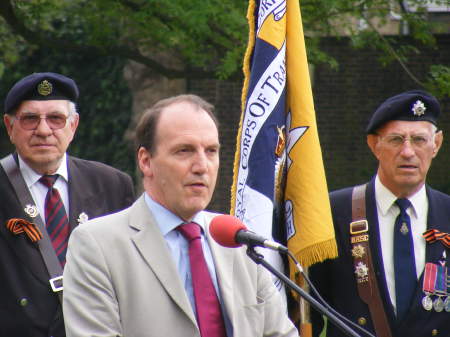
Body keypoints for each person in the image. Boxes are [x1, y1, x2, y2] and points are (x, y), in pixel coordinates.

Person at [62, 94, 299, 337]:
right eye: (184, 151)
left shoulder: (238, 242)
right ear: (145, 161)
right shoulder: (97, 245)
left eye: (211, 151)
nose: (201, 166)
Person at [0, 72, 135, 337]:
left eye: (55, 119)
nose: (43, 130)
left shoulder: (112, 185)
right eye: (30, 119)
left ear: (73, 126)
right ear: (9, 126)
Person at [309, 90, 450, 337]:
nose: (408, 152)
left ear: (436, 144)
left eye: (419, 140)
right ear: (375, 145)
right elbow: (304, 311)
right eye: (396, 140)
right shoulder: (333, 213)